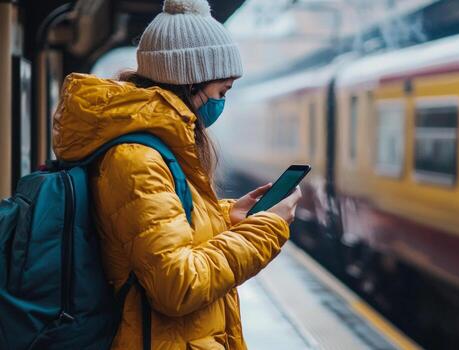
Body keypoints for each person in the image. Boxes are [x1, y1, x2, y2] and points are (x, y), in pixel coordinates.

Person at [51, 0, 302, 349]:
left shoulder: (155, 150)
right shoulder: (138, 159)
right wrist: (267, 228)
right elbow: (178, 286)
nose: (221, 102)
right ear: (191, 80)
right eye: (222, 91)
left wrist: (226, 216)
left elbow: (162, 235)